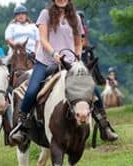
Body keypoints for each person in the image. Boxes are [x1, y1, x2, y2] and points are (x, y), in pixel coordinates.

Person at [9, 0, 87, 145]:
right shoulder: (45, 14)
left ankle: (103, 123)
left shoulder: (75, 17)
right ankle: (22, 123)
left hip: (70, 63)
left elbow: (78, 43)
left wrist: (78, 59)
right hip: (46, 62)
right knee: (32, 91)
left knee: (90, 87)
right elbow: (43, 40)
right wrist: (54, 54)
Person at [77, 11, 119, 141]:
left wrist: (103, 79)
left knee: (97, 98)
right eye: (80, 36)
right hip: (69, 77)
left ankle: (104, 128)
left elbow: (95, 71)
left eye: (83, 36)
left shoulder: (88, 51)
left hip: (86, 80)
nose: (82, 38)